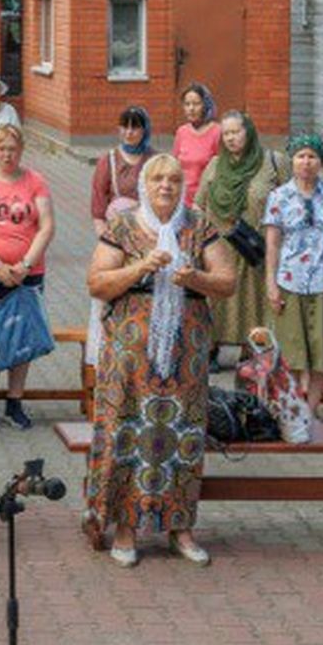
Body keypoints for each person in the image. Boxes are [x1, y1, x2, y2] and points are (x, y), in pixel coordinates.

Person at [84, 151, 236, 568]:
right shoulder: (123, 225)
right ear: (144, 186)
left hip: (184, 357)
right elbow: (96, 282)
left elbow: (228, 282)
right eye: (157, 179)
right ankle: (126, 527)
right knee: (128, 431)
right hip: (129, 357)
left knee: (183, 434)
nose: (166, 186)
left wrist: (196, 277)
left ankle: (180, 528)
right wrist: (140, 268)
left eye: (173, 179)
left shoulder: (198, 225)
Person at [0, 120, 54, 430]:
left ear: (22, 150)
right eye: (1, 148)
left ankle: (15, 401)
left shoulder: (35, 181)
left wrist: (25, 264)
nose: (7, 154)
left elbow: (46, 226)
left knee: (22, 335)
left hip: (29, 272)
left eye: (13, 149)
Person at [262, 136, 323, 405]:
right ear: (292, 160)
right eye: (301, 156)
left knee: (322, 352)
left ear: (321, 162)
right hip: (290, 282)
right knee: (292, 353)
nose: (306, 162)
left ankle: (311, 409)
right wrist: (271, 283)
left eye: (312, 156)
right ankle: (294, 408)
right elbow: (272, 243)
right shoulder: (279, 196)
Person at [200, 110, 278, 356]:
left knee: (253, 304)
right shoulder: (215, 165)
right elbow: (198, 204)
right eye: (226, 134)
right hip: (220, 250)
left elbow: (289, 200)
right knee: (218, 301)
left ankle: (251, 355)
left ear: (249, 132)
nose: (231, 138)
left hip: (255, 250)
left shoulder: (272, 162)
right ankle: (211, 349)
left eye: (236, 132)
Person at [92, 106, 155, 223]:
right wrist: (101, 227)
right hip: (118, 226)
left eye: (134, 127)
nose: (129, 132)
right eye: (125, 127)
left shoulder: (155, 160)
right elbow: (99, 197)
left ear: (145, 130)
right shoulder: (109, 160)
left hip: (149, 226)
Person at [172, 85, 221, 184]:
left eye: (196, 104)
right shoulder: (181, 131)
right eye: (187, 104)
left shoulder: (217, 132)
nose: (191, 108)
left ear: (206, 105)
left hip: (206, 192)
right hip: (182, 191)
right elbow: (174, 165)